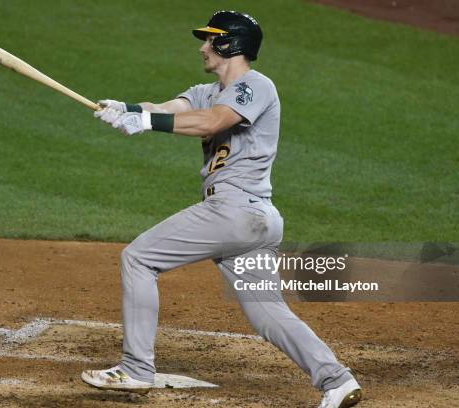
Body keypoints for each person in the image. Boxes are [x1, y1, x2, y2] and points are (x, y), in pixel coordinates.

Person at [81, 10, 362, 408]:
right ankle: (337, 380)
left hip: (234, 212)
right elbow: (166, 107)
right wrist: (122, 107)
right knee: (266, 313)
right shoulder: (206, 91)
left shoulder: (256, 86)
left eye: (210, 40)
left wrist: (144, 121)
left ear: (231, 43)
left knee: (139, 258)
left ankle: (136, 368)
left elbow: (212, 123)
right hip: (252, 221)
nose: (202, 47)